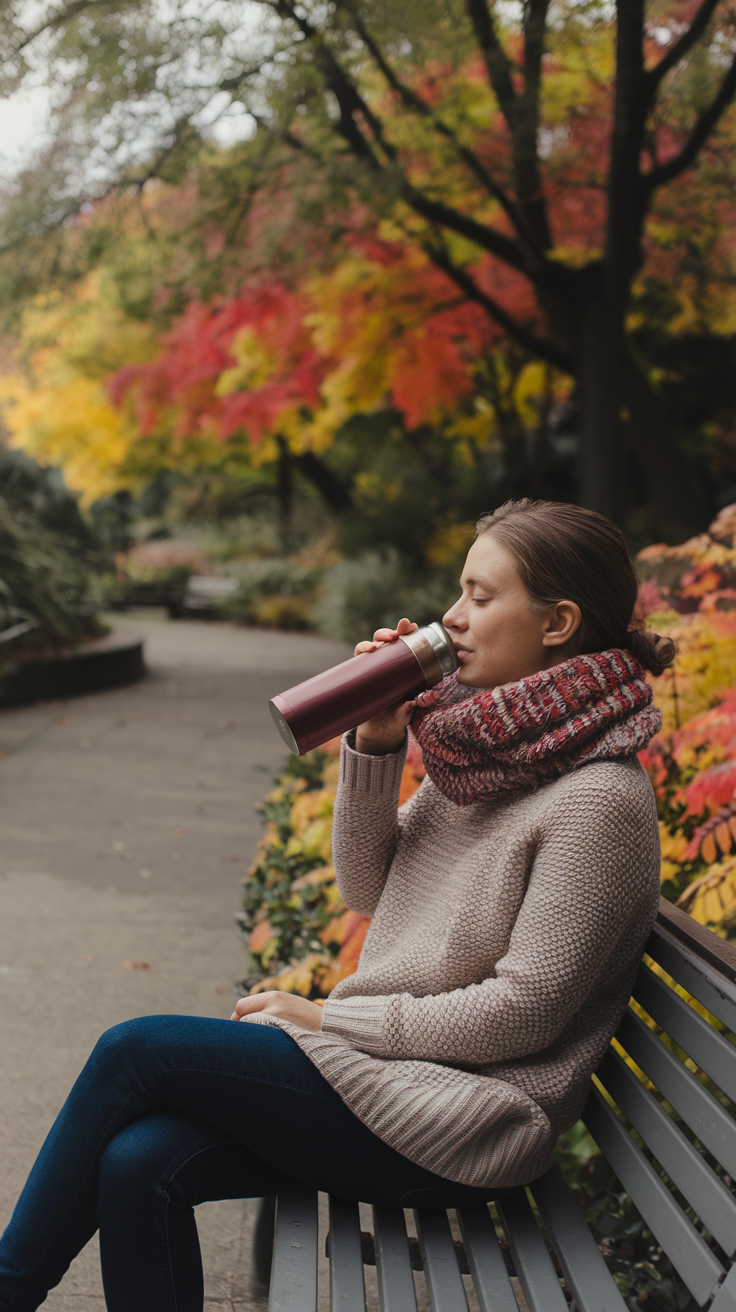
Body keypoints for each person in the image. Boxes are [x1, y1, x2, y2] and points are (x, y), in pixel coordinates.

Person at [0, 499, 672, 1312]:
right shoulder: (497, 753)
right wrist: (379, 743)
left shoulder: (597, 800)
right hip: (394, 1083)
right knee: (138, 1163)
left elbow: (523, 1015)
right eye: (458, 592)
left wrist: (328, 1021)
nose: (452, 618)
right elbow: (371, 889)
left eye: (481, 597)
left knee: (134, 1051)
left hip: (464, 1122)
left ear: (559, 621)